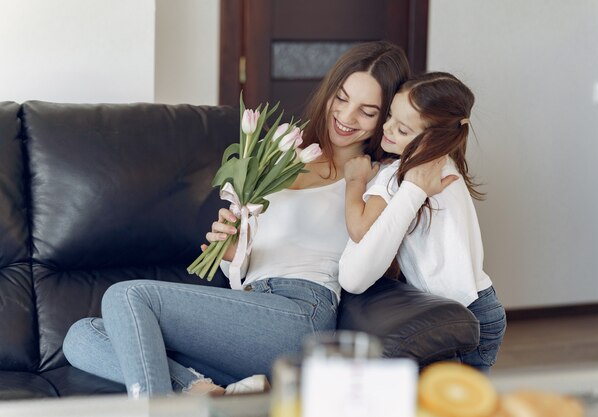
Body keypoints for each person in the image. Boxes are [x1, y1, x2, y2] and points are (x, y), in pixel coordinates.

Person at [63, 41, 451, 398]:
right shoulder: (285, 148)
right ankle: (203, 392)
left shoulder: (379, 179)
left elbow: (375, 251)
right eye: (342, 98)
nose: (346, 117)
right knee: (82, 336)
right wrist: (233, 250)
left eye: (367, 111)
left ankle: (158, 409)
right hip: (249, 307)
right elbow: (244, 268)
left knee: (127, 295)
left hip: (301, 313)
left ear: (386, 118)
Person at [339, 72, 507, 373]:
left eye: (402, 129)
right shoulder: (446, 163)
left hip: (459, 314)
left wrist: (355, 180)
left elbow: (360, 228)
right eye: (389, 115)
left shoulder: (400, 177)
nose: (386, 128)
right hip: (485, 305)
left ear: (434, 138)